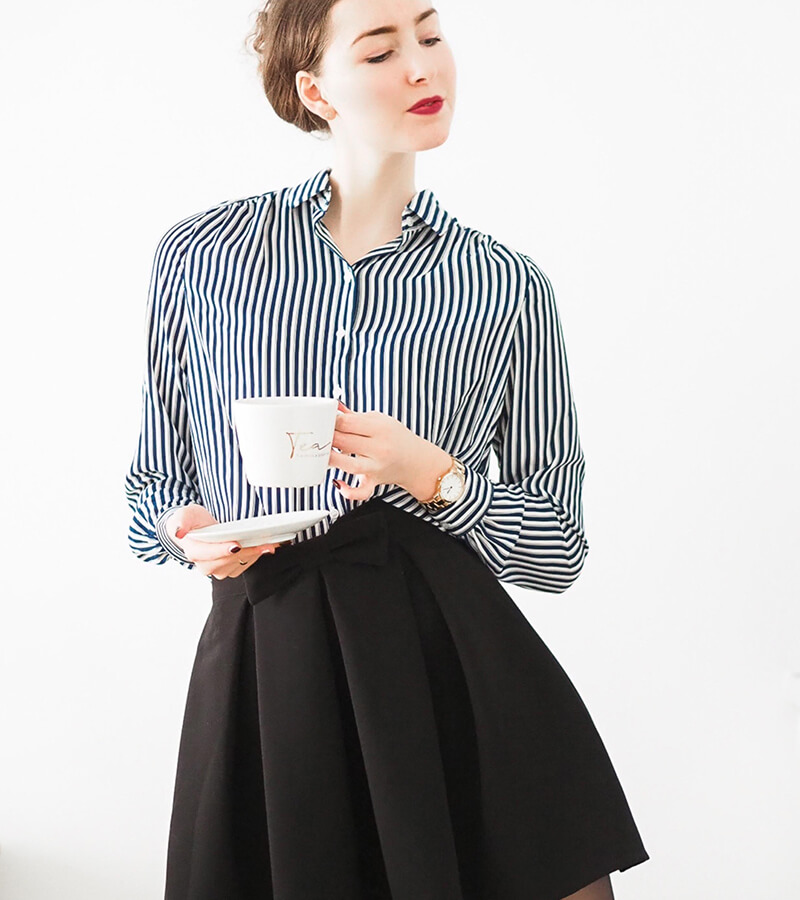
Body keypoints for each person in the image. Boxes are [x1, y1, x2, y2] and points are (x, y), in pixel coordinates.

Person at [124, 0, 650, 897]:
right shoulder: (202, 257)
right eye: (381, 50)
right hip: (271, 659)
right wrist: (187, 531)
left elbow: (559, 550)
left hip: (451, 662)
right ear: (315, 91)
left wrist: (433, 475)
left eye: (431, 36)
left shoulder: (505, 285)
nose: (423, 66)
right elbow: (151, 483)